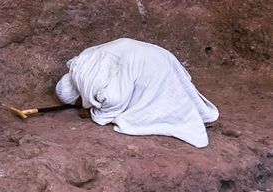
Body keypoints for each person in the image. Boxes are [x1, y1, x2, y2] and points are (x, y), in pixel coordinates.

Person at [55, 38, 219, 148]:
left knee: (154, 103)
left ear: (78, 96)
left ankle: (188, 118)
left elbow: (114, 101)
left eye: (77, 102)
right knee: (174, 90)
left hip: (148, 66)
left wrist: (94, 112)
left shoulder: (94, 88)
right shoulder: (81, 62)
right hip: (157, 54)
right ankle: (197, 113)